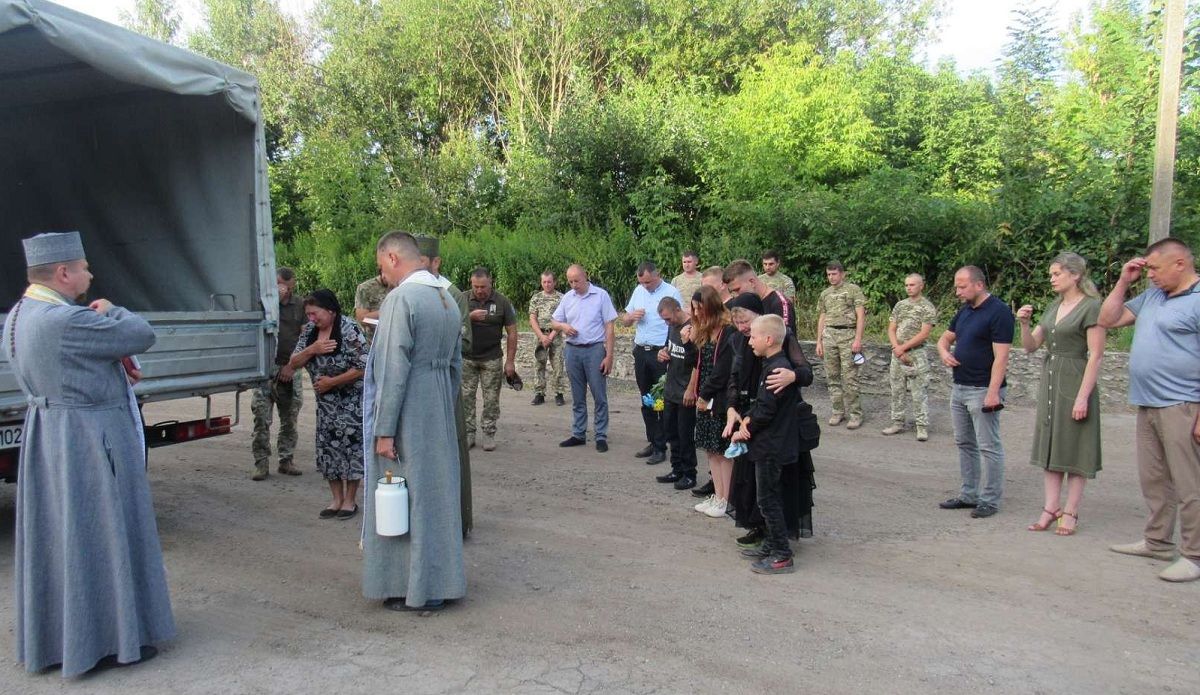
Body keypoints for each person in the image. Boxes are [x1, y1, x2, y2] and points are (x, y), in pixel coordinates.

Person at [2, 231, 174, 675]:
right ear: (63, 273)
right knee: (99, 536)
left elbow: (78, 363)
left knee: (66, 537)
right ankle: (106, 642)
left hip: (52, 435)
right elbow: (141, 333)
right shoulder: (67, 320)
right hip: (89, 438)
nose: (90, 275)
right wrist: (111, 309)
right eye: (83, 268)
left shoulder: (20, 314)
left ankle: (67, 636)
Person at [363, 231, 465, 612]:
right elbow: (455, 365)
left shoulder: (401, 298)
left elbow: (392, 367)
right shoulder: (446, 299)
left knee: (405, 493)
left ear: (392, 257)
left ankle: (412, 587)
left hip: (408, 408)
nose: (383, 277)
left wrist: (385, 428)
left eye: (381, 268)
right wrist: (441, 402)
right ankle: (439, 583)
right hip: (438, 403)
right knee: (437, 493)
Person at [1099, 238, 1200, 582]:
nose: (1150, 275)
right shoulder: (1154, 296)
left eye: (1155, 268)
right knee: (1154, 478)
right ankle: (1157, 541)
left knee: (1190, 484)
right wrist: (1124, 280)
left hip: (1184, 404)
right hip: (1148, 402)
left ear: (1180, 264)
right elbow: (1108, 319)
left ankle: (1194, 555)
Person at [1016, 253, 1104, 536]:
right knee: (1051, 445)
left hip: (1075, 378)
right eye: (1051, 274)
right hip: (1051, 379)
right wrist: (1025, 324)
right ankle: (1050, 507)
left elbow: (1096, 355)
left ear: (1075, 275)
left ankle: (1071, 510)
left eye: (1056, 274)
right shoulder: (1054, 306)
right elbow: (1031, 346)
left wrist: (1082, 397)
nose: (1051, 278)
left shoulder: (1091, 307)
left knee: (1076, 447)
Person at [937, 266, 1014, 519]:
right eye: (957, 286)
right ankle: (969, 494)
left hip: (982, 389)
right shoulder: (965, 311)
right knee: (964, 443)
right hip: (959, 387)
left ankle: (989, 500)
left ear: (979, 285)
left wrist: (993, 393)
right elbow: (944, 339)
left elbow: (1001, 357)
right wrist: (945, 353)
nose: (957, 291)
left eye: (962, 286)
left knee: (988, 446)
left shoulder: (999, 312)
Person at [730, 314, 802, 575]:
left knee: (768, 500)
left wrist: (745, 427)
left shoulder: (777, 369)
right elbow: (762, 405)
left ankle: (782, 554)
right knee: (769, 498)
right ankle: (772, 544)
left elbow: (767, 411)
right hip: (770, 443)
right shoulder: (771, 364)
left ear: (769, 339)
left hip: (772, 446)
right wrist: (749, 416)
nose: (749, 341)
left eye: (754, 336)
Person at [290, 289, 368, 520]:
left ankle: (350, 501)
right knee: (328, 449)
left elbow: (364, 366)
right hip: (326, 405)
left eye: (315, 314)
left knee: (351, 449)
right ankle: (335, 499)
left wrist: (332, 382)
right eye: (308, 315)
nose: (312, 319)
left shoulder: (349, 329)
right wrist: (312, 349)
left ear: (331, 311)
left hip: (351, 402)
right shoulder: (311, 333)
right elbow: (294, 362)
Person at [415, 235, 473, 537]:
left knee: (451, 449)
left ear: (435, 262)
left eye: (422, 263)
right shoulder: (407, 291)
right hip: (414, 390)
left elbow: (464, 340)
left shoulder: (451, 294)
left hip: (443, 382)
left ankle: (456, 522)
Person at [553, 265, 618, 452]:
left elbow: (610, 327)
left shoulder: (601, 296)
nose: (574, 285)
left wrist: (609, 356)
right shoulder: (567, 298)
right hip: (572, 350)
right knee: (577, 394)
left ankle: (600, 435)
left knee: (599, 394)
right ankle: (579, 433)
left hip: (594, 349)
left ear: (585, 277)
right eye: (570, 281)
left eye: (577, 281)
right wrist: (563, 326)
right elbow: (554, 321)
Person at [622, 261, 682, 464]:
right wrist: (630, 317)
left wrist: (669, 349)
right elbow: (624, 320)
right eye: (642, 282)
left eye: (648, 281)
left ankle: (662, 444)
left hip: (660, 352)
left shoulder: (671, 292)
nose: (645, 286)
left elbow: (678, 321)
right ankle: (652, 440)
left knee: (661, 401)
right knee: (646, 398)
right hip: (642, 351)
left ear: (658, 275)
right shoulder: (638, 291)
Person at [251, 266, 306, 480]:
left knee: (290, 417)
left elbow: (305, 337)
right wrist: (271, 304)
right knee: (261, 417)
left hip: (290, 366)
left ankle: (286, 460)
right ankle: (261, 463)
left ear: (292, 285)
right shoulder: (263, 304)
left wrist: (292, 365)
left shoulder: (299, 305)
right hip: (266, 369)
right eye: (277, 285)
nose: (281, 290)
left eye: (284, 285)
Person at [690, 286, 739, 518]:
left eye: (700, 308)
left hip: (717, 399)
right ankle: (718, 495)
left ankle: (726, 500)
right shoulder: (704, 331)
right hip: (705, 397)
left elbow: (722, 370)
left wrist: (704, 394)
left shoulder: (727, 332)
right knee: (710, 449)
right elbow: (698, 363)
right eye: (694, 309)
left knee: (721, 450)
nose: (697, 313)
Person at [463, 267, 518, 452]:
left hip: (492, 358)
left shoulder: (502, 301)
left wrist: (510, 362)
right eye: (475, 286)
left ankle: (488, 432)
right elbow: (448, 322)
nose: (479, 290)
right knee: (465, 398)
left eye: (483, 287)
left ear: (491, 282)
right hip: (466, 358)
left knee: (492, 399)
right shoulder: (462, 299)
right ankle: (469, 434)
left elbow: (512, 332)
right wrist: (468, 317)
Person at [883, 274, 937, 441]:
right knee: (897, 389)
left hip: (916, 353)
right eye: (906, 285)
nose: (909, 288)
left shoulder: (927, 307)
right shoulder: (900, 305)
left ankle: (921, 426)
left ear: (921, 286)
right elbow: (891, 328)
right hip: (897, 352)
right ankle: (897, 422)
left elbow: (924, 333)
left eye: (912, 285)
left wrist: (902, 348)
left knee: (918, 391)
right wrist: (896, 348)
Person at [815, 261, 867, 429]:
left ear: (842, 274)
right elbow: (822, 316)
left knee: (850, 377)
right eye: (829, 274)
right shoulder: (825, 293)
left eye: (834, 274)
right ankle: (838, 411)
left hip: (848, 335)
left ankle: (855, 414)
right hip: (829, 335)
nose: (831, 277)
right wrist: (819, 341)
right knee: (832, 376)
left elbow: (861, 315)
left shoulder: (853, 290)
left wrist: (858, 339)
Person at [655, 296, 698, 489]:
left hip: (685, 390)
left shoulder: (692, 327)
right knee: (672, 433)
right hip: (671, 387)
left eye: (668, 319)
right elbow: (669, 349)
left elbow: (698, 361)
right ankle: (677, 469)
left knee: (685, 434)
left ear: (678, 310)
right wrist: (662, 354)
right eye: (664, 320)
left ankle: (690, 473)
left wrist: (691, 389)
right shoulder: (671, 327)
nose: (667, 322)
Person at [529, 270, 566, 406]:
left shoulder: (561, 298)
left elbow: (562, 318)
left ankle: (559, 393)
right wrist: (541, 336)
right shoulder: (536, 298)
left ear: (554, 282)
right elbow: (532, 318)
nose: (547, 284)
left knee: (558, 364)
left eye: (549, 282)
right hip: (540, 334)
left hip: (555, 335)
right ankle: (539, 393)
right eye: (544, 282)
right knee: (539, 364)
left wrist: (550, 336)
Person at [354, 272, 390, 344]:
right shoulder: (365, 288)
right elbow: (362, 319)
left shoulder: (401, 284)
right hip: (375, 342)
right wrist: (388, 311)